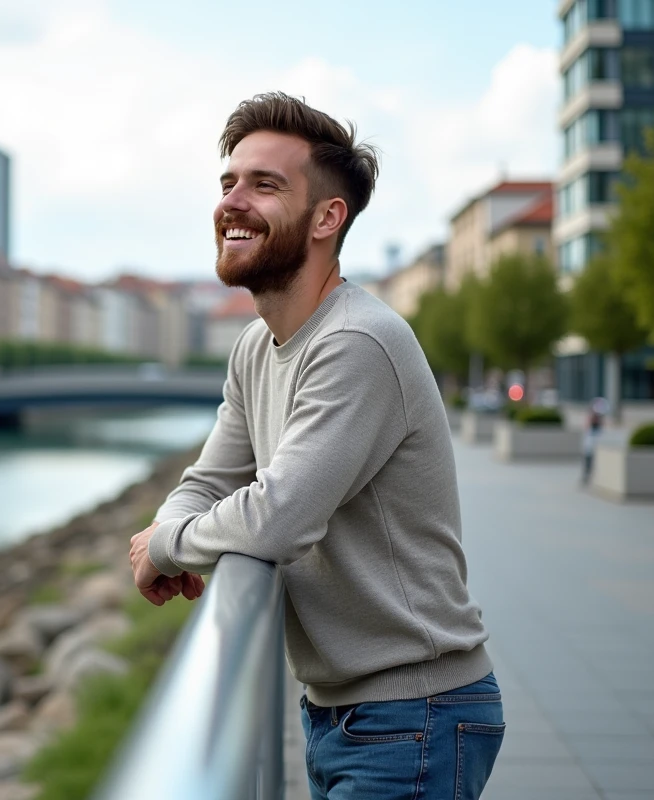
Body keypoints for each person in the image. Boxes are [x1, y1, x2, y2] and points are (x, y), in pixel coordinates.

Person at [127, 92, 503, 799]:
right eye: (228, 182)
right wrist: (173, 531)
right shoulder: (256, 345)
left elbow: (281, 516)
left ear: (329, 217)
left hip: (413, 712)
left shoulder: (356, 340)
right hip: (346, 711)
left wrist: (167, 546)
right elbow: (208, 479)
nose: (233, 201)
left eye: (265, 185)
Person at [582, 399, 606, 486]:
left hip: (595, 442)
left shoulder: (599, 421)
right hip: (590, 443)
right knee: (588, 459)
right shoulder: (591, 420)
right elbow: (586, 428)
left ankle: (592, 476)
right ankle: (586, 475)